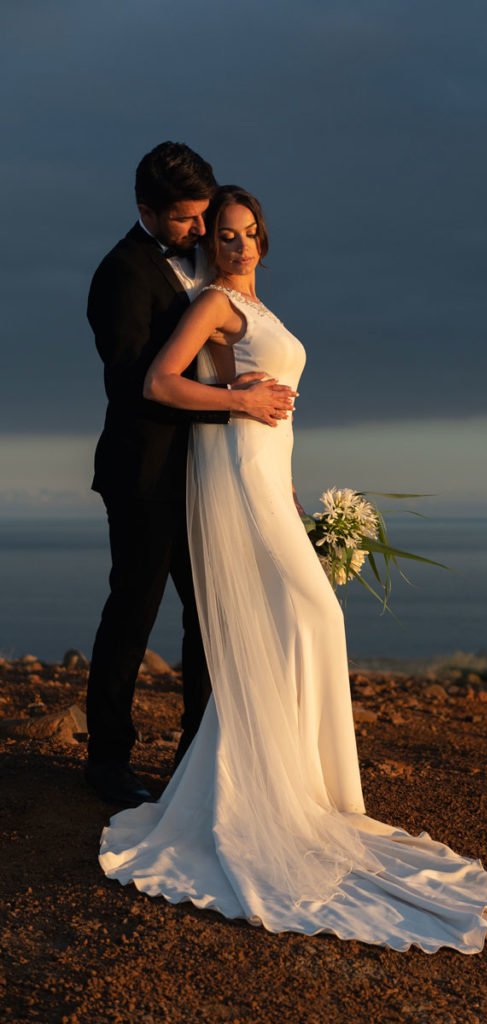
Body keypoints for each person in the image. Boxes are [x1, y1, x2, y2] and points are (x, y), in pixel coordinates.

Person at [97, 185, 487, 953]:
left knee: (294, 622)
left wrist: (291, 489)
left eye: (245, 234)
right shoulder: (208, 302)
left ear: (263, 238)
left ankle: (303, 786)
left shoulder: (257, 310)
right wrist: (235, 404)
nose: (234, 246)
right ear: (208, 246)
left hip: (271, 477)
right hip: (234, 469)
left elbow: (255, 393)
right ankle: (280, 790)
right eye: (222, 236)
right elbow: (159, 382)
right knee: (313, 617)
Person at [85, 145, 296, 807]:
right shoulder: (120, 274)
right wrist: (234, 404)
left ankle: (197, 757)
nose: (199, 231)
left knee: (209, 617)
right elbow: (135, 388)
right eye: (183, 220)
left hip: (211, 473)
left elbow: (223, 337)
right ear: (145, 211)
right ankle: (107, 760)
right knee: (134, 613)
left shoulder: (205, 257)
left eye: (204, 217)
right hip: (145, 474)